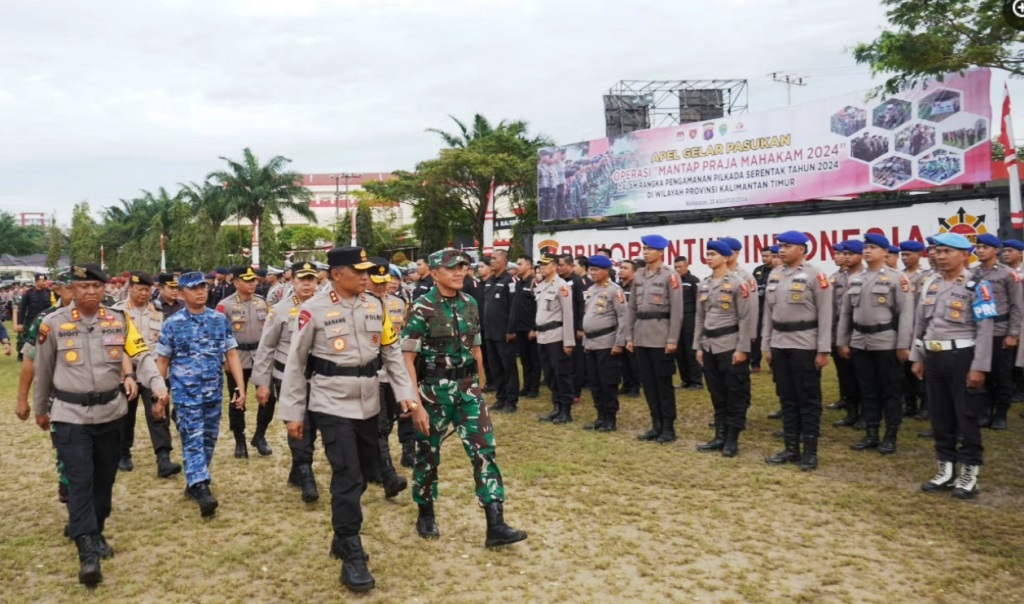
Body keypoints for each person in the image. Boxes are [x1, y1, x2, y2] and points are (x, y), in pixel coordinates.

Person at [277, 246, 416, 594]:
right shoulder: (313, 310)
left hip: (369, 402)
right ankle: (351, 551)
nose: (367, 277)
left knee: (367, 472)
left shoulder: (376, 305)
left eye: (368, 271)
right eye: (360, 271)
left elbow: (392, 354)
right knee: (347, 475)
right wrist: (293, 413)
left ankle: (341, 537)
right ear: (338, 274)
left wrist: (405, 393)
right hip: (330, 402)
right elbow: (295, 364)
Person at [33, 263, 168, 586]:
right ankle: (87, 551)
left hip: (110, 413)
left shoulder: (118, 320)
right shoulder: (53, 324)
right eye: (83, 287)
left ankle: (97, 529)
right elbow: (43, 370)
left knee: (104, 481)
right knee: (80, 480)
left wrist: (158, 385)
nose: (90, 292)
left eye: (96, 286)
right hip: (70, 416)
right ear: (71, 290)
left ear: (105, 288)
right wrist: (39, 409)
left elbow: (142, 355)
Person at [401, 248, 528, 549]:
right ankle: (425, 510)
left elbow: (476, 347)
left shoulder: (470, 303)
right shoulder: (422, 308)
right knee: (428, 455)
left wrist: (481, 385)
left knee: (485, 451)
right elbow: (406, 358)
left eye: (463, 267)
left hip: (468, 390)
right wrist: (414, 403)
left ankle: (495, 523)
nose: (460, 272)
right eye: (452, 268)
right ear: (434, 273)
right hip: (433, 392)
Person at [156, 272, 245, 517]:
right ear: (182, 293)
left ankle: (194, 481)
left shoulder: (218, 320)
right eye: (194, 289)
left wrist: (240, 386)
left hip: (213, 393)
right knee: (192, 439)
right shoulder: (173, 323)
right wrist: (159, 394)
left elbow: (231, 354)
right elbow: (162, 360)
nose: (200, 292)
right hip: (185, 395)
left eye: (203, 287)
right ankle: (201, 487)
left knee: (208, 440)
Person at [913, 233, 992, 499]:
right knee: (940, 416)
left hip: (963, 357)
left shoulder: (977, 285)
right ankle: (945, 470)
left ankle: (969, 473)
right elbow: (920, 325)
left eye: (947, 251)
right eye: (938, 251)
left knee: (966, 416)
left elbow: (984, 329)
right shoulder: (930, 283)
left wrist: (979, 366)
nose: (940, 256)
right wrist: (918, 357)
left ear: (964, 255)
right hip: (934, 357)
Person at [836, 234, 914, 454]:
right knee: (867, 390)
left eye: (873, 247)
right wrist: (843, 340)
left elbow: (906, 314)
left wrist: (902, 345)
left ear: (885, 252)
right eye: (866, 247)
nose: (868, 251)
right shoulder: (855, 278)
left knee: (890, 391)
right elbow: (845, 313)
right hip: (860, 341)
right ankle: (871, 433)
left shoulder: (897, 278)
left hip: (886, 342)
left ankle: (890, 436)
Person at [762, 231, 832, 471]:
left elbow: (825, 313)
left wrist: (823, 350)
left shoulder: (815, 275)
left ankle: (810, 452)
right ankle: (791, 448)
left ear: (802, 249)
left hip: (805, 344)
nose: (781, 250)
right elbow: (768, 314)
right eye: (780, 246)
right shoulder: (775, 273)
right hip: (780, 343)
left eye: (787, 246)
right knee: (787, 398)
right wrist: (767, 344)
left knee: (808, 399)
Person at [251, 261, 321, 503]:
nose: (306, 284)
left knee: (313, 426)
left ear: (317, 282)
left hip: (320, 378)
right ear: (292, 281)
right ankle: (306, 475)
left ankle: (297, 470)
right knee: (299, 424)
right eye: (302, 279)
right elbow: (266, 347)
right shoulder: (279, 310)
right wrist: (262, 383)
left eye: (311, 279)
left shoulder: (325, 308)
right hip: (287, 379)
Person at [110, 271, 182, 477]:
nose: (143, 293)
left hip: (153, 369)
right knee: (125, 414)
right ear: (130, 289)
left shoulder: (158, 311)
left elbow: (165, 343)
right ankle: (124, 453)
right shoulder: (117, 311)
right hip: (126, 371)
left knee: (159, 412)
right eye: (139, 289)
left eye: (147, 290)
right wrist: (126, 373)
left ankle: (163, 458)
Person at [693, 240, 757, 456]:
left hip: (730, 345)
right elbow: (700, 317)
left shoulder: (739, 284)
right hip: (709, 345)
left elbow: (746, 318)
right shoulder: (704, 284)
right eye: (707, 254)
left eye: (712, 254)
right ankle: (719, 436)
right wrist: (698, 346)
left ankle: (732, 439)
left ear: (725, 257)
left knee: (735, 393)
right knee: (717, 393)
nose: (708, 257)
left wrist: (742, 349)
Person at [625, 234, 683, 443]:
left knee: (663, 384)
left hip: (661, 335)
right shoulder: (639, 275)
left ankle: (668, 427)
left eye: (650, 249)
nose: (645, 252)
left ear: (661, 252)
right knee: (648, 384)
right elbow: (632, 308)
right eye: (644, 248)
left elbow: (677, 311)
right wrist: (629, 335)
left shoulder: (670, 275)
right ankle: (655, 424)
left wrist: (672, 339)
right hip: (641, 335)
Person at [364, 257, 411, 499]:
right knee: (379, 426)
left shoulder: (393, 303)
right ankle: (387, 474)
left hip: (390, 372)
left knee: (389, 421)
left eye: (385, 282)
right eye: (377, 283)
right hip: (367, 376)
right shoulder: (360, 306)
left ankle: (374, 467)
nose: (382, 287)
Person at [216, 266, 271, 458]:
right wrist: (224, 359)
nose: (252, 283)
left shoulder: (262, 303)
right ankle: (239, 440)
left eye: (254, 280)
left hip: (260, 357)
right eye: (247, 281)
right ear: (236, 282)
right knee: (237, 399)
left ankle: (260, 435)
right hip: (237, 357)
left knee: (268, 398)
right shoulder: (225, 305)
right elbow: (218, 335)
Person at [971, 234, 1022, 430]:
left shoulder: (1007, 274)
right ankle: (984, 412)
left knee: (1002, 376)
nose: (980, 250)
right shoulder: (972, 273)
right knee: (983, 373)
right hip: (979, 331)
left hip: (1000, 329)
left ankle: (1000, 414)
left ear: (996, 250)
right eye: (978, 247)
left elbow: (1017, 306)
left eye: (985, 247)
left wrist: (1013, 334)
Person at [581, 254, 627, 431]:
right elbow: (588, 316)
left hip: (607, 342)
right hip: (591, 342)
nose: (592, 273)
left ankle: (610, 418)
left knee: (608, 382)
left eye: (596, 270)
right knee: (595, 382)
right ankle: (600, 416)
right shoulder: (591, 290)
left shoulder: (615, 291)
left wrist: (619, 343)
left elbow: (623, 318)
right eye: (590, 269)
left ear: (606, 271)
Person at [535, 249, 577, 423]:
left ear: (554, 266)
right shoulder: (541, 285)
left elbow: (568, 314)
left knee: (562, 373)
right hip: (543, 335)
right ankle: (556, 406)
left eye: (545, 265)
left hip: (557, 335)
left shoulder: (562, 286)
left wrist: (568, 341)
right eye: (541, 265)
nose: (542, 268)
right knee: (550, 373)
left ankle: (566, 410)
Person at [831, 241, 865, 428]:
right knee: (845, 376)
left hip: (859, 334)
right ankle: (851, 413)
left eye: (850, 253)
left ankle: (866, 415)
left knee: (863, 378)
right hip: (839, 334)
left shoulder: (866, 277)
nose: (845, 257)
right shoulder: (836, 278)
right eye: (843, 253)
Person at [482, 249, 520, 413]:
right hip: (490, 332)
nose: (491, 261)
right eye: (491, 258)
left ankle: (511, 401)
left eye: (495, 258)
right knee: (495, 367)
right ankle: (501, 398)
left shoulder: (510, 281)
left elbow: (514, 307)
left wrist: (511, 329)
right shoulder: (490, 280)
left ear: (504, 261)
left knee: (508, 367)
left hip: (504, 333)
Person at [900, 240, 930, 418]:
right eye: (903, 255)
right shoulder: (898, 275)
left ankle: (925, 403)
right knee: (904, 370)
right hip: (903, 328)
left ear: (919, 255)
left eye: (908, 255)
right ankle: (909, 403)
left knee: (921, 367)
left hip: (919, 328)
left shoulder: (925, 276)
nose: (905, 258)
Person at [509, 254, 541, 399]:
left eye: (520, 264)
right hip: (520, 327)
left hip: (531, 328)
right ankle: (526, 386)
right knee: (524, 360)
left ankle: (534, 388)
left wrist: (535, 328)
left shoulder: (534, 283)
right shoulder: (519, 283)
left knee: (534, 359)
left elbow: (538, 307)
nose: (517, 266)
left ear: (529, 265)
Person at [557, 253, 588, 401]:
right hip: (560, 326)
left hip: (575, 326)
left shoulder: (577, 281)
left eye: (562, 265)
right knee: (564, 360)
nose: (559, 268)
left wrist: (581, 327)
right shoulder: (558, 281)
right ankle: (564, 389)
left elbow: (582, 305)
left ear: (570, 265)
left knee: (576, 361)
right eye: (558, 265)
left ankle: (576, 392)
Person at [673, 256, 702, 389]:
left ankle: (696, 381)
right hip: (677, 320)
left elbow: (699, 303)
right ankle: (686, 380)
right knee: (679, 352)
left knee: (691, 351)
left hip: (690, 318)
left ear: (687, 266)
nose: (678, 269)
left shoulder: (693, 281)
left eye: (680, 267)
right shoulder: (673, 281)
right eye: (676, 267)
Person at [617, 259, 642, 397]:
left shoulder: (637, 287)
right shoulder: (617, 287)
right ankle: (626, 384)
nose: (621, 270)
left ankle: (635, 386)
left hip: (633, 327)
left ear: (634, 272)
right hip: (620, 327)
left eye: (625, 268)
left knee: (633, 359)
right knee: (622, 359)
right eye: (620, 267)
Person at [15, 273, 53, 361]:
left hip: (45, 320)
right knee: (27, 339)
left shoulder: (49, 293)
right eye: (42, 281)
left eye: (45, 280)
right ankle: (22, 355)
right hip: (31, 320)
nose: (44, 282)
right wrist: (20, 323)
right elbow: (22, 309)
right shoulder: (28, 293)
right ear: (36, 281)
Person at [751, 247, 774, 373]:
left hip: (771, 309)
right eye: (763, 256)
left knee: (771, 336)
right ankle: (755, 364)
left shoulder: (777, 270)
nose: (765, 258)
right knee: (755, 338)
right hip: (759, 309)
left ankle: (773, 364)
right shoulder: (758, 271)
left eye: (767, 256)